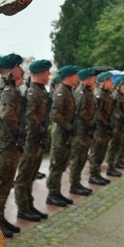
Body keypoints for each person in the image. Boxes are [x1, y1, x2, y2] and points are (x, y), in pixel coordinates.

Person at [0, 53, 25, 238]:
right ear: (12, 69)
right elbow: (7, 116)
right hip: (5, 142)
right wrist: (18, 132)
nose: (21, 70)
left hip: (7, 142)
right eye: (19, 66)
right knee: (1, 183)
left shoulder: (9, 88)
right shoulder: (8, 91)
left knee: (6, 182)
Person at [14, 59, 52, 222]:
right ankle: (23, 208)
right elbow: (29, 116)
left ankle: (29, 205)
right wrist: (41, 131)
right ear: (41, 73)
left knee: (31, 175)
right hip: (31, 139)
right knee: (24, 175)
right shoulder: (32, 92)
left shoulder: (41, 90)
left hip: (37, 139)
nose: (49, 74)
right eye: (47, 72)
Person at [45, 65, 79, 207]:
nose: (77, 78)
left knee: (62, 164)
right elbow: (55, 114)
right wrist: (68, 126)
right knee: (56, 165)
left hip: (66, 134)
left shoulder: (68, 91)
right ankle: (52, 194)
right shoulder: (61, 92)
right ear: (69, 76)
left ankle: (57, 192)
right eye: (75, 75)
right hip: (61, 133)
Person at [67, 67, 97, 196]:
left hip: (85, 131)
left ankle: (77, 183)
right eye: (93, 77)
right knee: (77, 158)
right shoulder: (81, 92)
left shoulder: (88, 92)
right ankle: (74, 184)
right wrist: (91, 123)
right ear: (88, 78)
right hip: (80, 131)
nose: (95, 79)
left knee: (82, 158)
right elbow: (81, 112)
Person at [87, 71, 116, 186]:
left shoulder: (107, 94)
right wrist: (105, 123)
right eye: (109, 80)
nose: (112, 82)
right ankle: (93, 175)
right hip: (99, 128)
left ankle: (97, 173)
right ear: (103, 82)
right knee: (96, 151)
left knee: (102, 151)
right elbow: (97, 113)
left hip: (105, 127)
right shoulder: (98, 94)